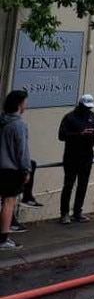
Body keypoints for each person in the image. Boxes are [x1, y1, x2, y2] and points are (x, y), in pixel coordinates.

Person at [58, 94, 94, 224]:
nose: (88, 109)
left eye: (90, 107)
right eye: (86, 107)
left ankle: (78, 211)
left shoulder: (92, 116)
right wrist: (79, 134)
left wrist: (93, 133)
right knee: (69, 185)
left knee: (83, 185)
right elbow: (61, 135)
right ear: (80, 105)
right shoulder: (69, 117)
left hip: (87, 155)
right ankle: (64, 213)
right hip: (72, 155)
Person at [0, 90, 31, 251]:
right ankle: (3, 238)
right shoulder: (18, 125)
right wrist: (26, 170)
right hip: (11, 169)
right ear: (20, 104)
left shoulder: (2, 121)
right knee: (8, 202)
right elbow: (22, 151)